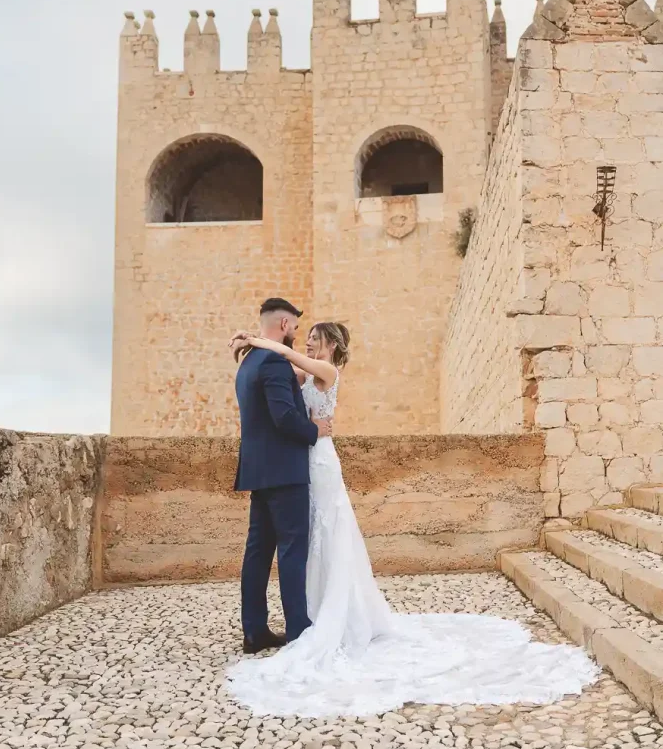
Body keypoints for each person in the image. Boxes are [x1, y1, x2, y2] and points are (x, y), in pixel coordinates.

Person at [227, 317, 599, 718]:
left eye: (317, 340)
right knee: (312, 540)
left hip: (320, 464)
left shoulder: (328, 371)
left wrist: (260, 341)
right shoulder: (306, 371)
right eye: (310, 341)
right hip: (304, 465)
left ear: (332, 346)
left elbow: (285, 354)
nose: (311, 345)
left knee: (325, 534)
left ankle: (330, 615)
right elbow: (284, 373)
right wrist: (252, 347)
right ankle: (313, 612)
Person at [233, 298, 333, 655]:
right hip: (284, 472)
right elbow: (283, 417)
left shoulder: (248, 362)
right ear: (285, 325)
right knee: (293, 551)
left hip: (258, 471)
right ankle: (299, 631)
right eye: (295, 327)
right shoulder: (274, 362)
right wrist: (314, 430)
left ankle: (255, 631)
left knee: (257, 553)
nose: (297, 334)